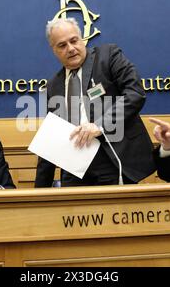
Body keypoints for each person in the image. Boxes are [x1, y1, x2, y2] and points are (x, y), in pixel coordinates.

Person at [35, 17, 155, 187]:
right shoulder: (53, 86)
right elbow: (50, 142)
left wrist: (100, 125)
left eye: (74, 41)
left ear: (82, 38)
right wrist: (39, 195)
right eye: (62, 45)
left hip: (113, 159)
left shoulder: (108, 56)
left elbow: (135, 93)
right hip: (74, 169)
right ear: (53, 50)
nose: (71, 49)